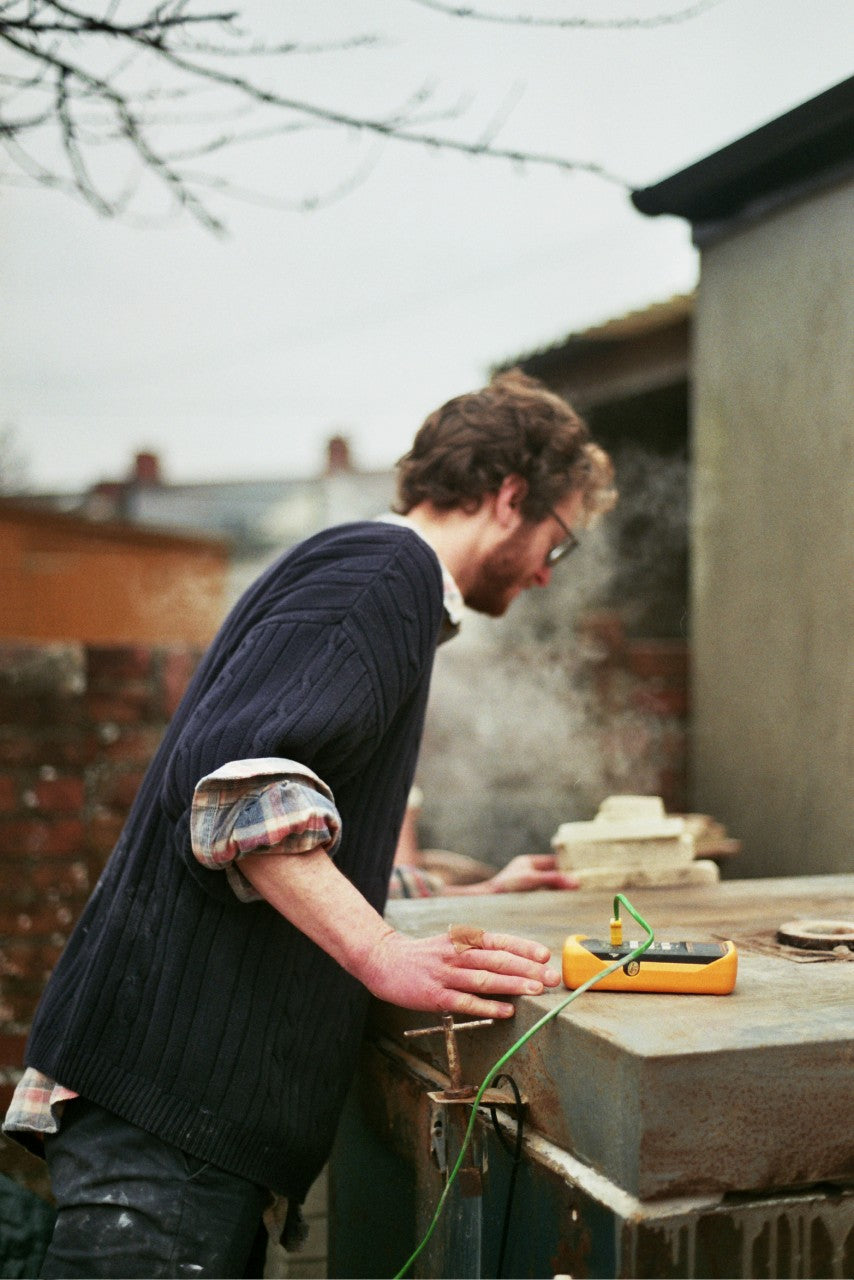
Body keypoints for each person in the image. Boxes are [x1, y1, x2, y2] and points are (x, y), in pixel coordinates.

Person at [4, 369, 616, 1278]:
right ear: (510, 496)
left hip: (179, 1123)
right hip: (173, 1122)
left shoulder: (372, 579)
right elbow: (235, 791)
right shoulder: (385, 573)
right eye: (555, 546)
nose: (541, 573)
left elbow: (285, 836)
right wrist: (384, 951)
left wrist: (455, 893)